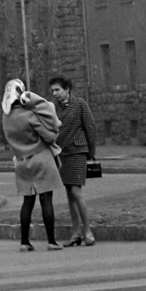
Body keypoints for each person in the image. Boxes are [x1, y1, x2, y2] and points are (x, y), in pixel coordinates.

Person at [0, 79, 61, 251]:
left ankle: (25, 242)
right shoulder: (30, 114)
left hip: (21, 160)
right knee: (46, 199)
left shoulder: (6, 117)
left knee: (27, 201)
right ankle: (51, 241)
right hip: (40, 157)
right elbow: (49, 137)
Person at [48, 75, 97, 247]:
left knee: (76, 191)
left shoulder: (80, 104)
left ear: (67, 89)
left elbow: (90, 127)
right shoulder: (53, 108)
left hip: (77, 151)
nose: (55, 94)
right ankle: (76, 232)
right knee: (69, 193)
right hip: (62, 154)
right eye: (53, 91)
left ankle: (88, 231)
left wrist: (91, 151)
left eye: (58, 90)